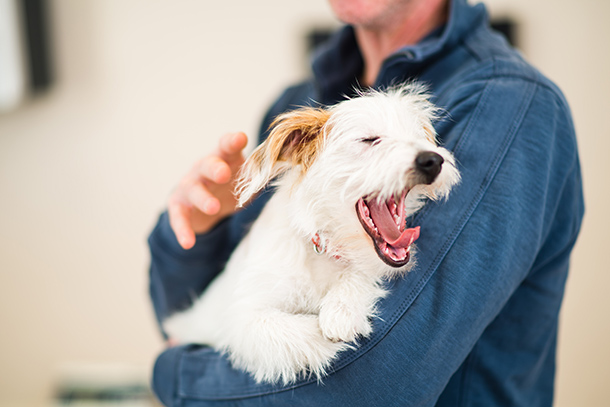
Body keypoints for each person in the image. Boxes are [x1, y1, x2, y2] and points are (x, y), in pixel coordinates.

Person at [147, 0, 584, 405]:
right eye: (370, 141)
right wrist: (197, 231)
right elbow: (197, 300)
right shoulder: (296, 102)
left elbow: (368, 387)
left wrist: (173, 374)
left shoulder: (508, 104)